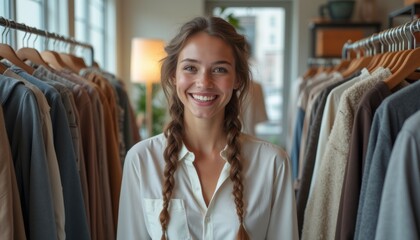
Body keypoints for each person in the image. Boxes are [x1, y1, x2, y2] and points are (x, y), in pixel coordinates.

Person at [117, 16, 298, 240]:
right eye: (191, 68)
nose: (204, 82)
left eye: (220, 70)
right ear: (174, 75)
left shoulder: (272, 163)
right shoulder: (141, 160)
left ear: (238, 79)